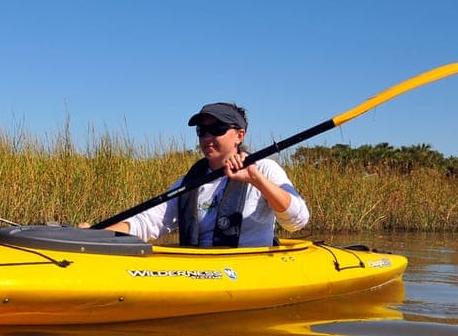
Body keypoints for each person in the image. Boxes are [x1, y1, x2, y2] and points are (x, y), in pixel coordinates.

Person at [87, 102, 309, 247]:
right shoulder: (189, 183)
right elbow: (147, 222)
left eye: (217, 130)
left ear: (239, 135)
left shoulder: (265, 169)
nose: (207, 138)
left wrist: (257, 181)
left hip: (248, 266)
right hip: (202, 269)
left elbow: (297, 221)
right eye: (202, 131)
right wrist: (97, 235)